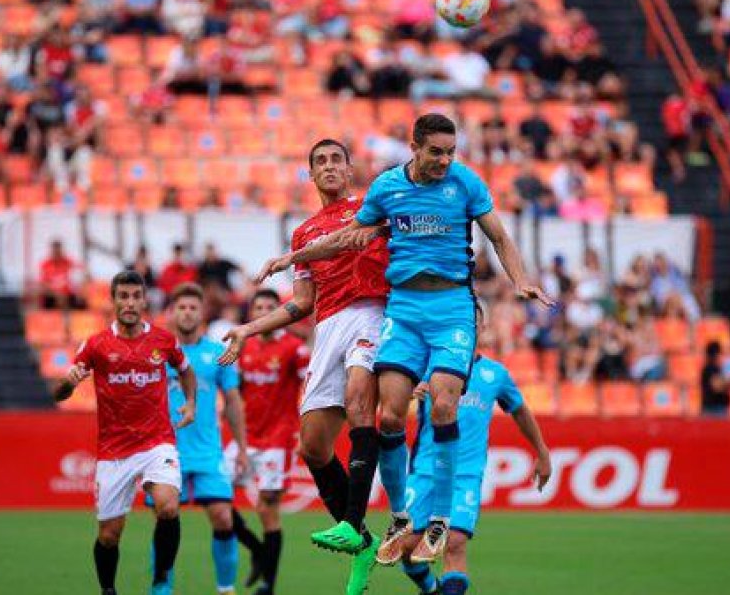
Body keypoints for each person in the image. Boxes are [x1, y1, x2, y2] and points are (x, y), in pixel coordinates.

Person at [255, 114, 552, 568]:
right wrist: (291, 258)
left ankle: (438, 518)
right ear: (415, 147)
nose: (444, 160)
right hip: (404, 311)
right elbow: (346, 238)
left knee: (444, 403)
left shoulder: (466, 184)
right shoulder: (387, 189)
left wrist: (521, 280)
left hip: (452, 307)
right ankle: (398, 517)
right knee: (391, 415)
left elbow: (499, 236)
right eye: (436, 151)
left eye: (450, 151)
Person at [219, 138, 390, 594]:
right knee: (312, 448)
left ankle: (353, 523)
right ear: (310, 176)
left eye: (337, 159)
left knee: (358, 401)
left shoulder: (372, 208)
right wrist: (247, 329)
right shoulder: (303, 233)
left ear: (350, 169)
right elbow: (301, 305)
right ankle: (363, 544)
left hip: (372, 311)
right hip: (328, 326)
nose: (329, 166)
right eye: (320, 162)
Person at [53, 270, 195, 595]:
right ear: (113, 301)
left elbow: (186, 371)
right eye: (123, 296)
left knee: (168, 506)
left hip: (158, 441)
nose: (130, 303)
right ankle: (108, 590)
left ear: (144, 300)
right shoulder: (96, 345)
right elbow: (59, 395)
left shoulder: (163, 340)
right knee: (109, 535)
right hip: (114, 451)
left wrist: (190, 404)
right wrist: (68, 382)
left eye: (135, 296)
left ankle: (161, 576)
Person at [397, 307, 551, 595]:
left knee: (454, 542)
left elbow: (520, 411)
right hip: (426, 470)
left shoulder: (495, 374)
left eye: (474, 321)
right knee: (407, 547)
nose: (469, 326)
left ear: (481, 327)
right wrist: (409, 391)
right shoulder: (427, 366)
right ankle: (431, 589)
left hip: (465, 473)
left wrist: (541, 451)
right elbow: (393, 396)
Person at [161, 283, 248, 595]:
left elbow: (234, 401)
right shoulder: (160, 353)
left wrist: (242, 448)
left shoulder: (217, 353)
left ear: (202, 313)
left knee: (224, 518)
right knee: (166, 518)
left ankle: (226, 589)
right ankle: (163, 588)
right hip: (165, 451)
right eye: (181, 307)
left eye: (192, 308)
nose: (187, 312)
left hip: (209, 452)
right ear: (172, 313)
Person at [225, 289, 310, 594]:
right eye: (258, 307)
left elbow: (311, 385)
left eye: (270, 307)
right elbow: (234, 392)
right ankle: (259, 551)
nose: (263, 312)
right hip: (247, 436)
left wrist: (305, 430)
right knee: (217, 495)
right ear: (251, 314)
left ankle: (268, 584)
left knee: (266, 507)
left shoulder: (294, 349)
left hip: (278, 438)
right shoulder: (243, 347)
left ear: (281, 312)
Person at [699, 341, 730, 415]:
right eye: (719, 353)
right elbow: (717, 386)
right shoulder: (709, 369)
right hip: (712, 409)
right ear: (715, 354)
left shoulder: (719, 369)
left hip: (720, 407)